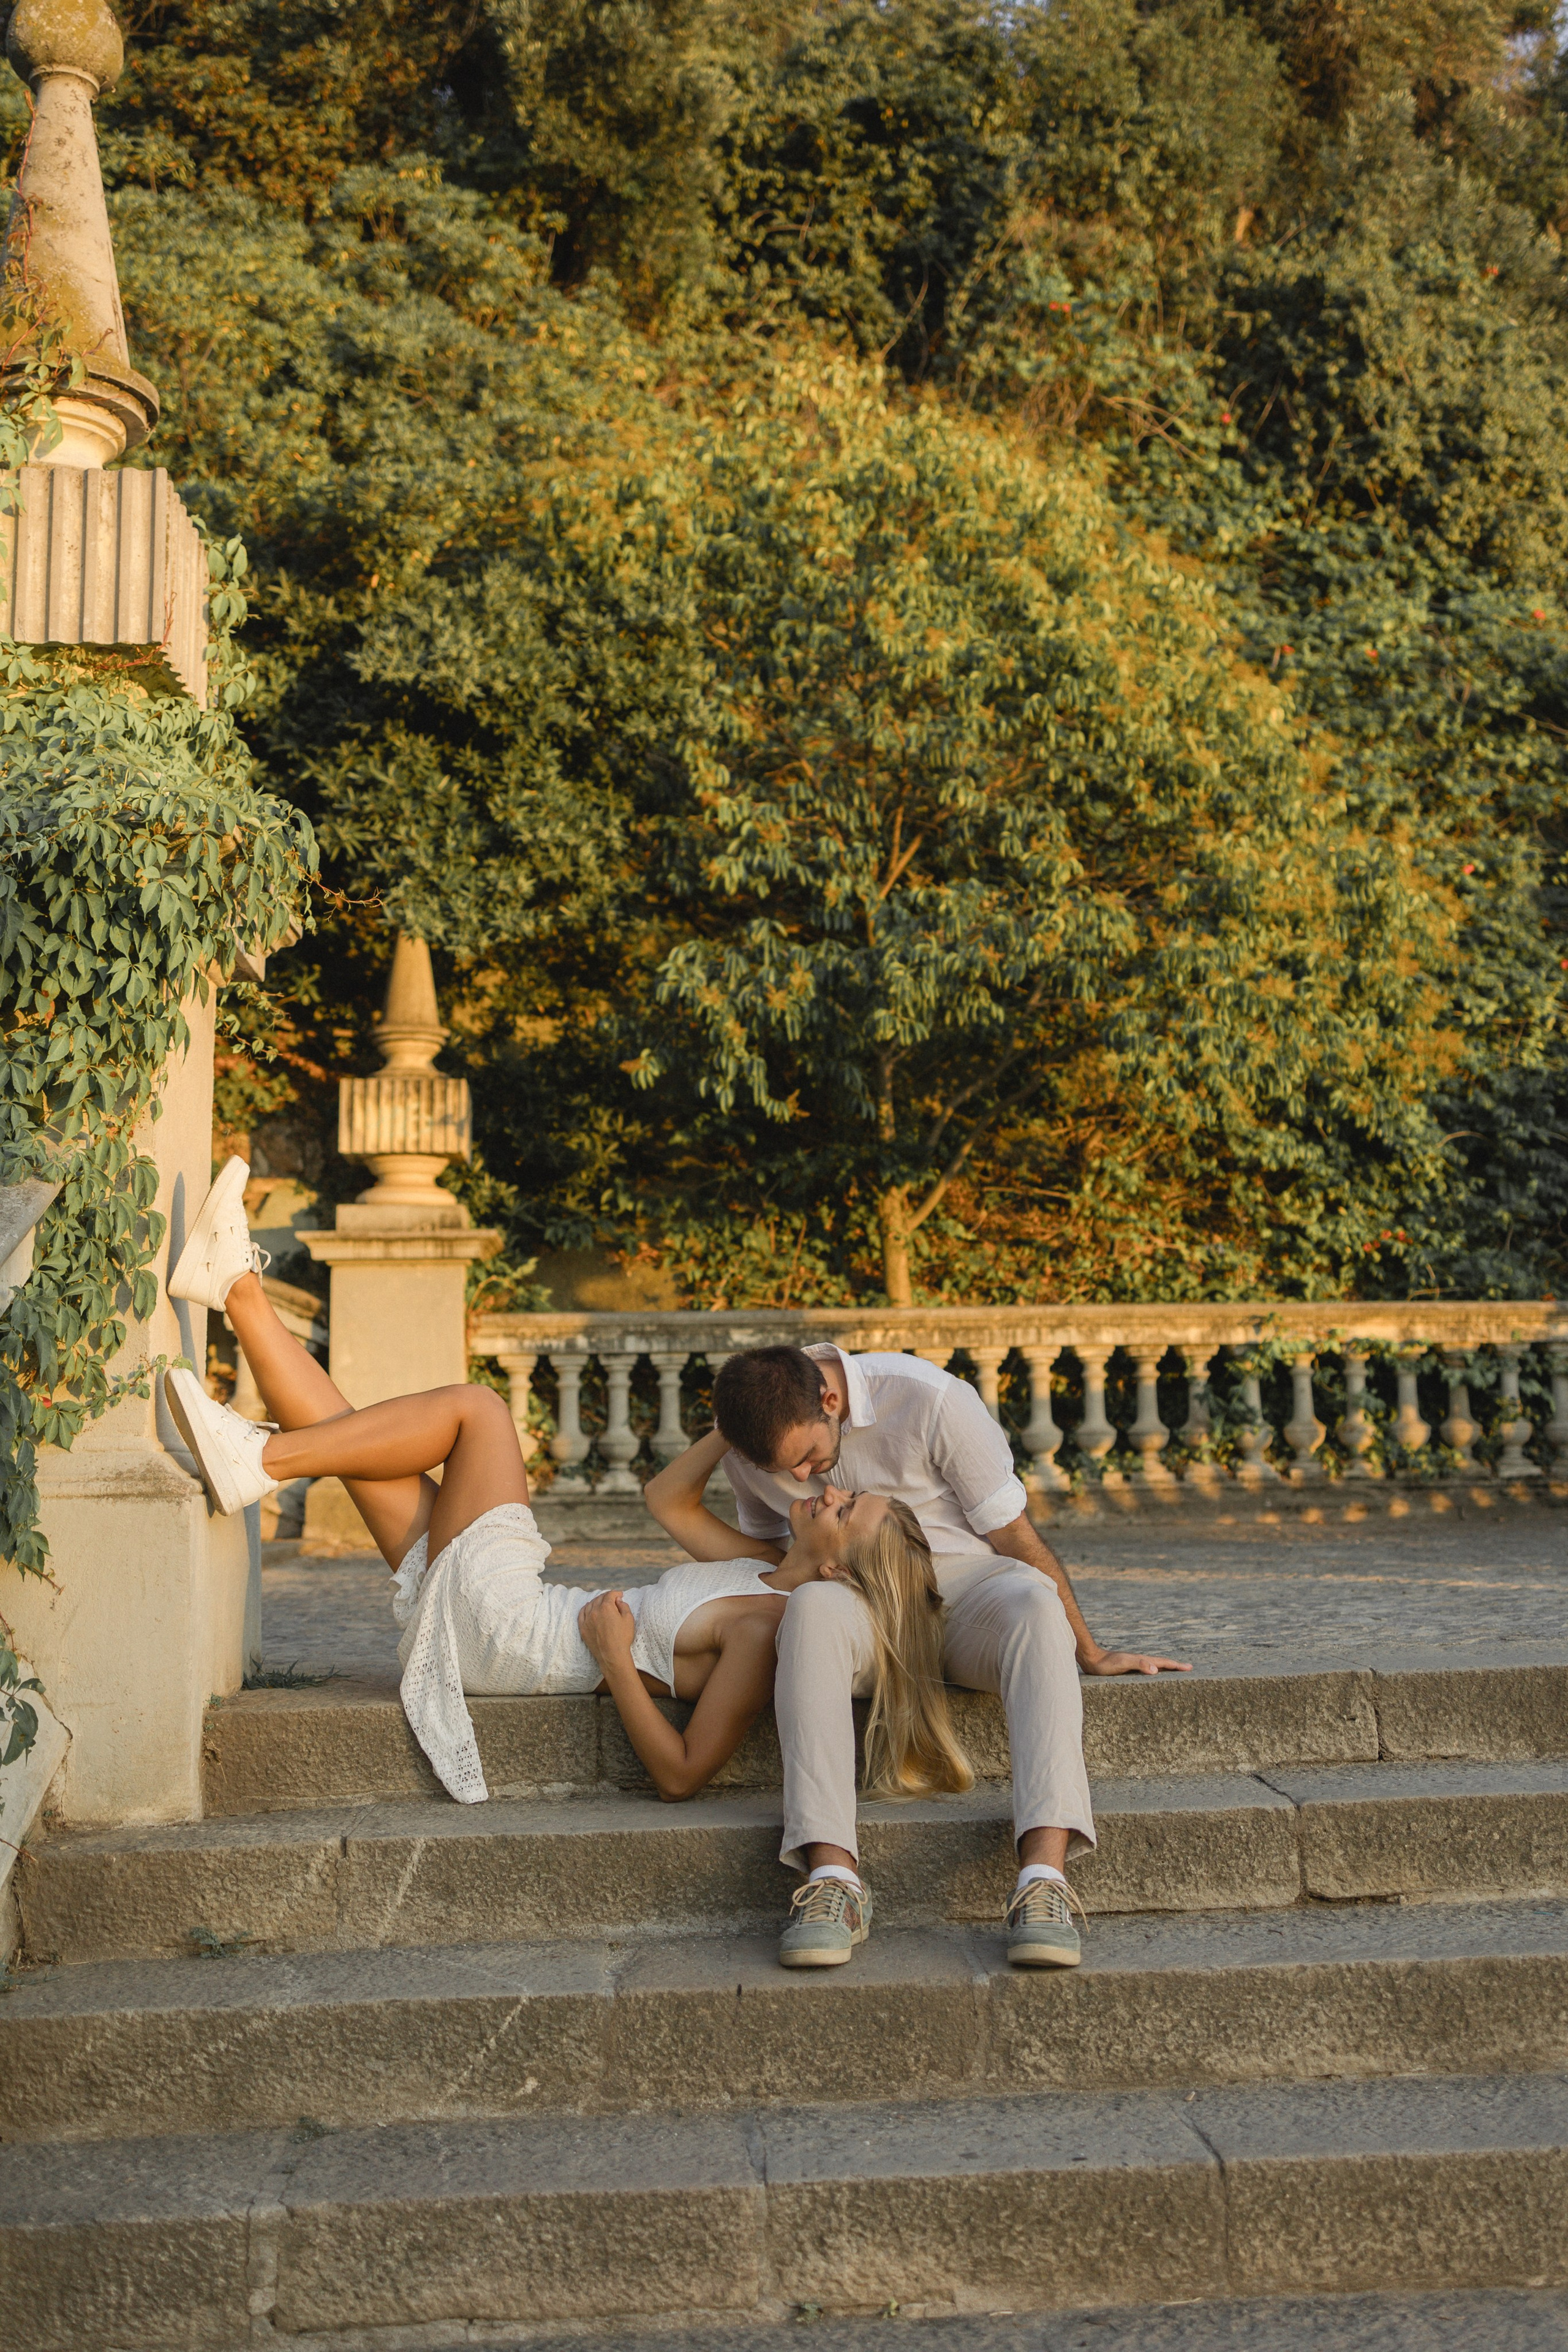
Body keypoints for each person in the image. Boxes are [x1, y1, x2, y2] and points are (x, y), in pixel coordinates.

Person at [161, 1159, 972, 1820]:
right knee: (357, 1445)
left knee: (478, 1412)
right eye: (843, 1491)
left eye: (845, 1511)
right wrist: (749, 1415)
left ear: (837, 1571)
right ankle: (235, 1290)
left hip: (522, 1635)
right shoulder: (761, 1562)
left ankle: (262, 1464)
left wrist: (618, 1660)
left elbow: (682, 1775)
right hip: (518, 1614)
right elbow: (667, 1501)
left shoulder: (766, 1632)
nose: (830, 1492)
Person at [709, 1343, 1191, 1972]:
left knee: (1033, 1601)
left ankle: (1042, 1883)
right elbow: (777, 1554)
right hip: (854, 1600)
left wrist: (1090, 1651)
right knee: (810, 1608)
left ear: (830, 1401)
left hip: (963, 1591)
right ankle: (832, 1882)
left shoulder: (930, 1399)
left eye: (804, 1458)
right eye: (784, 1469)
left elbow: (1013, 1536)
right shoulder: (753, 1442)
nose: (802, 1479)